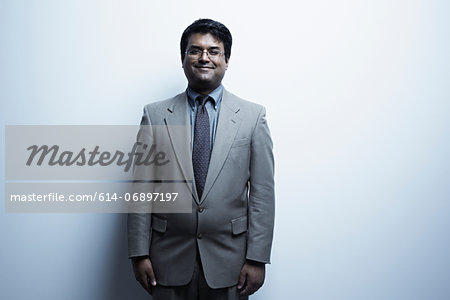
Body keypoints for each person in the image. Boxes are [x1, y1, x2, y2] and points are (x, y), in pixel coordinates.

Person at [127, 18, 275, 300]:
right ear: (183, 58)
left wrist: (257, 258)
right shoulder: (155, 115)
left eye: (214, 51)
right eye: (195, 50)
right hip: (166, 259)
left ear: (227, 60)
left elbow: (263, 193)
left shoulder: (253, 117)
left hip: (230, 261)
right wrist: (139, 252)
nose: (204, 57)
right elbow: (141, 188)